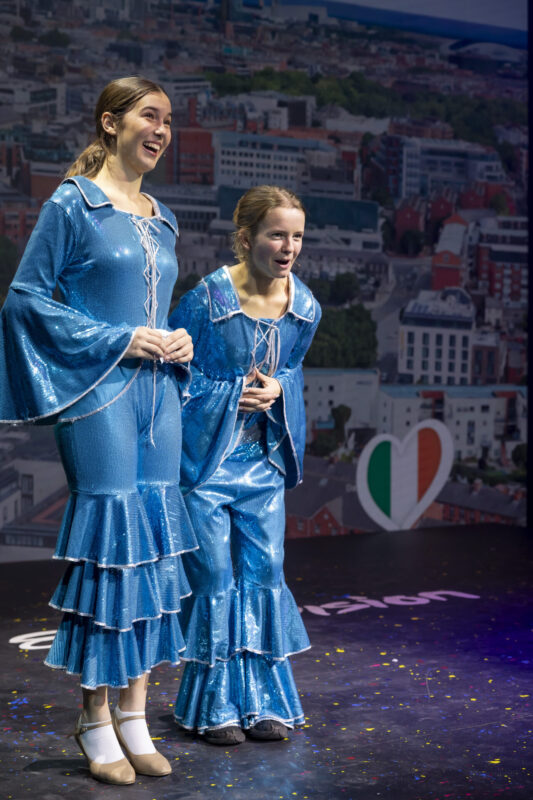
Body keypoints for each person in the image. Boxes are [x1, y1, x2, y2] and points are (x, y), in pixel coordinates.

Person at [0, 76, 197, 784]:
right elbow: (24, 302)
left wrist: (178, 339)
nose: (162, 130)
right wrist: (120, 340)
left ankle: (135, 714)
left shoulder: (163, 218)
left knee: (155, 548)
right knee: (111, 550)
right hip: (99, 394)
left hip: (161, 396)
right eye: (150, 115)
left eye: (169, 120)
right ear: (110, 123)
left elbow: (157, 311)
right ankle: (93, 718)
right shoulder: (72, 203)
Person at [170, 185, 321, 745]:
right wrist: (231, 395)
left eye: (297, 236)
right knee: (214, 579)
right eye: (277, 235)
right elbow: (174, 375)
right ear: (245, 238)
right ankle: (214, 706)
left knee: (265, 573)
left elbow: (295, 373)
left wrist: (279, 389)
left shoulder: (305, 308)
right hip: (205, 465)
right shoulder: (207, 301)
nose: (289, 247)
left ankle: (263, 703)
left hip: (262, 464)